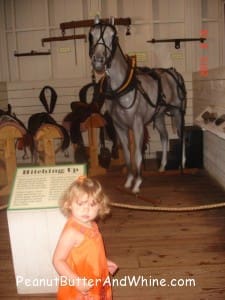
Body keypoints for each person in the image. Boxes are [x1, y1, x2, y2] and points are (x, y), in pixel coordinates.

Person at [53, 176, 118, 300]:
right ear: (68, 204)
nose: (86, 209)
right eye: (80, 203)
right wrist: (77, 281)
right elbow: (58, 260)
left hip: (94, 276)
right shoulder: (72, 232)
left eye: (92, 204)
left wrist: (103, 261)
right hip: (80, 283)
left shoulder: (92, 224)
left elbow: (93, 250)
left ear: (100, 206)